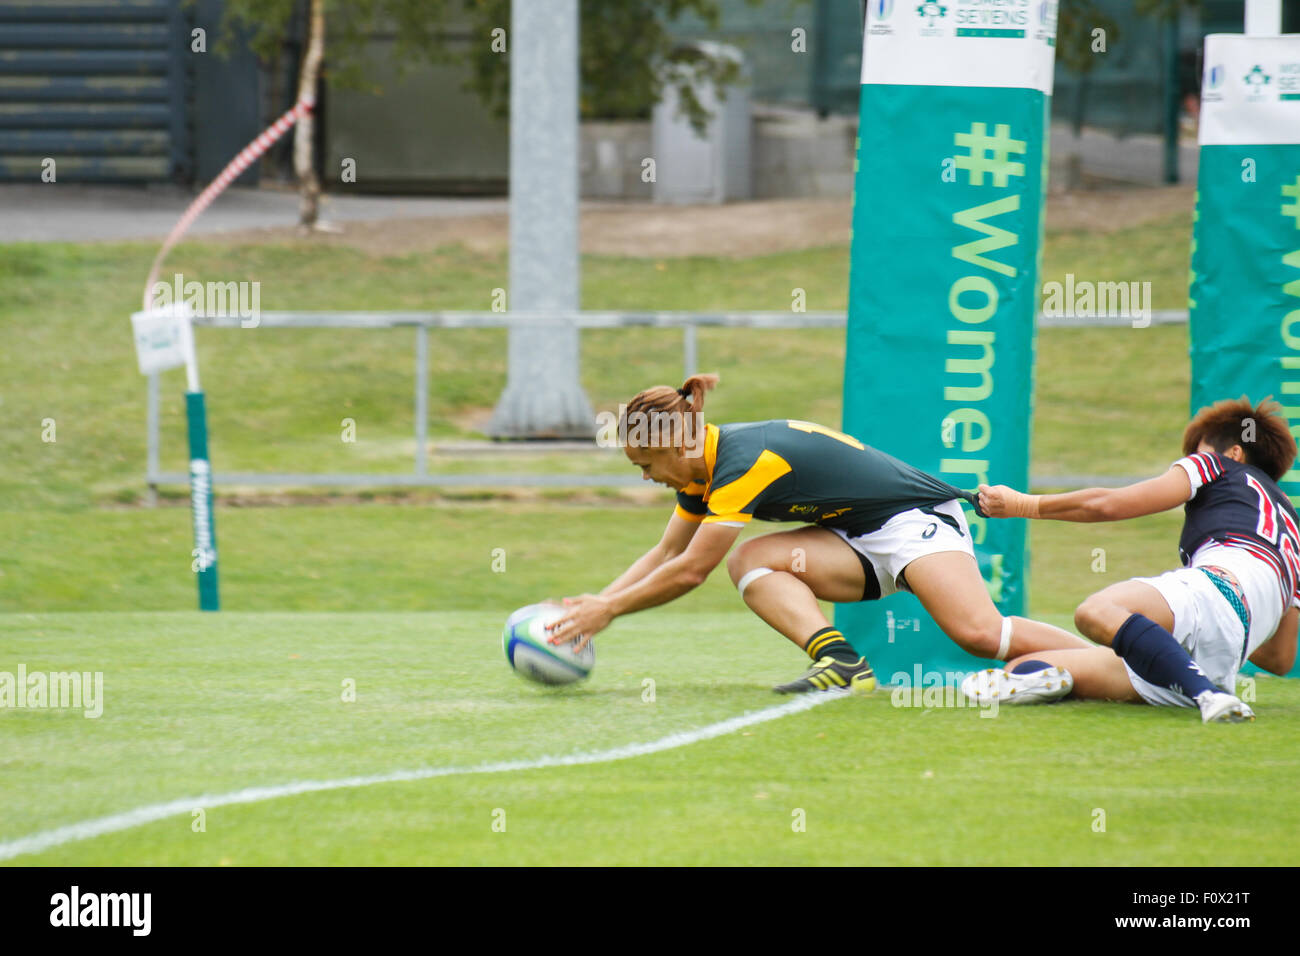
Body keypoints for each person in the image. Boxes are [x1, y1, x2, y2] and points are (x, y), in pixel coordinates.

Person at [545, 374, 1090, 693]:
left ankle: (1115, 665)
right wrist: (595, 606)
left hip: (914, 521)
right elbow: (667, 550)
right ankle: (843, 663)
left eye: (646, 462)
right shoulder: (701, 470)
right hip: (852, 540)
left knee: (979, 635)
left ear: (677, 444)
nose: (645, 476)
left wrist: (609, 612)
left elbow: (689, 571)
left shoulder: (744, 462)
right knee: (752, 561)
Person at [965, 397, 1299, 724]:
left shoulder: (1217, 465)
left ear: (1235, 452)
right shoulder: (1294, 534)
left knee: (1095, 612)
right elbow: (1279, 658)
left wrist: (1021, 505)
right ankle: (1195, 683)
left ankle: (1206, 695)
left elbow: (1106, 505)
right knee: (1023, 667)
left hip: (1217, 586)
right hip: (1224, 654)